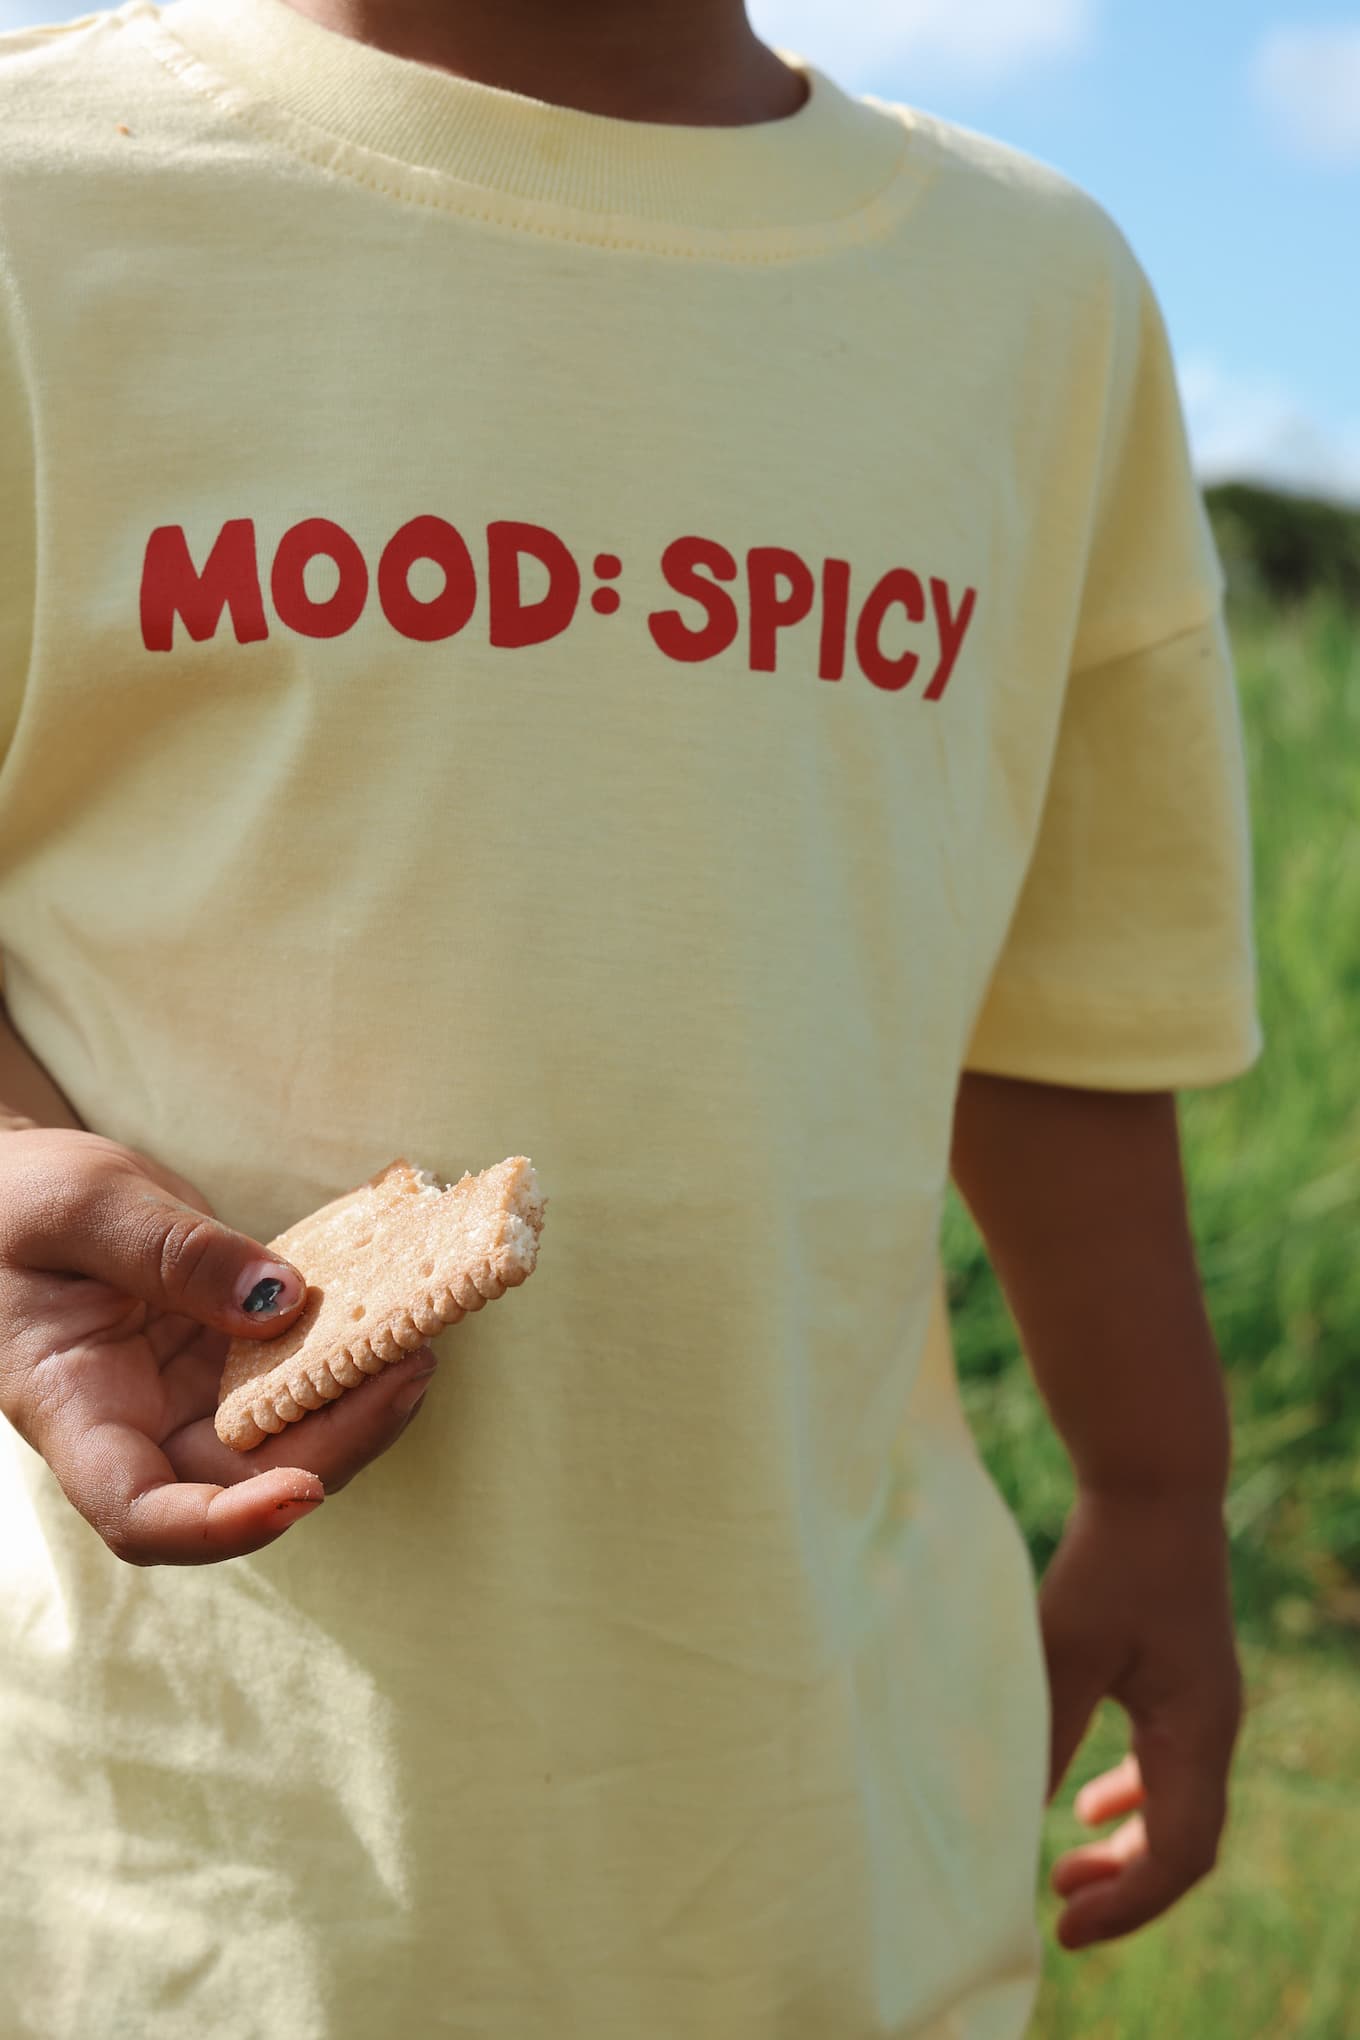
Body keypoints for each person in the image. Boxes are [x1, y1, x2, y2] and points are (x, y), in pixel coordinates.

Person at [0, 0, 1261, 2034]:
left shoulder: (1026, 298)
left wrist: (1150, 1484)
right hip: (175, 1866)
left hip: (821, 1834)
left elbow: (1062, 1009)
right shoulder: (40, 201)